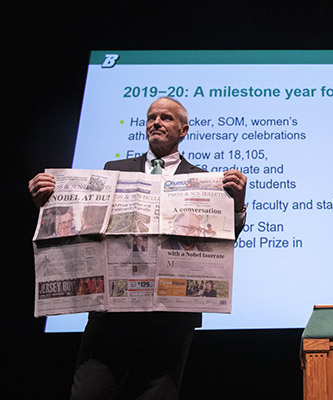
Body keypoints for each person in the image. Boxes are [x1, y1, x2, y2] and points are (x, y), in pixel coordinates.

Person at [28, 97, 247, 399]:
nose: (156, 122)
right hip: (112, 317)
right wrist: (48, 202)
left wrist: (236, 205)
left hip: (169, 320)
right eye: (151, 117)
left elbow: (223, 240)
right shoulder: (113, 170)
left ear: (183, 130)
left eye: (166, 118)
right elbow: (83, 228)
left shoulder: (204, 180)